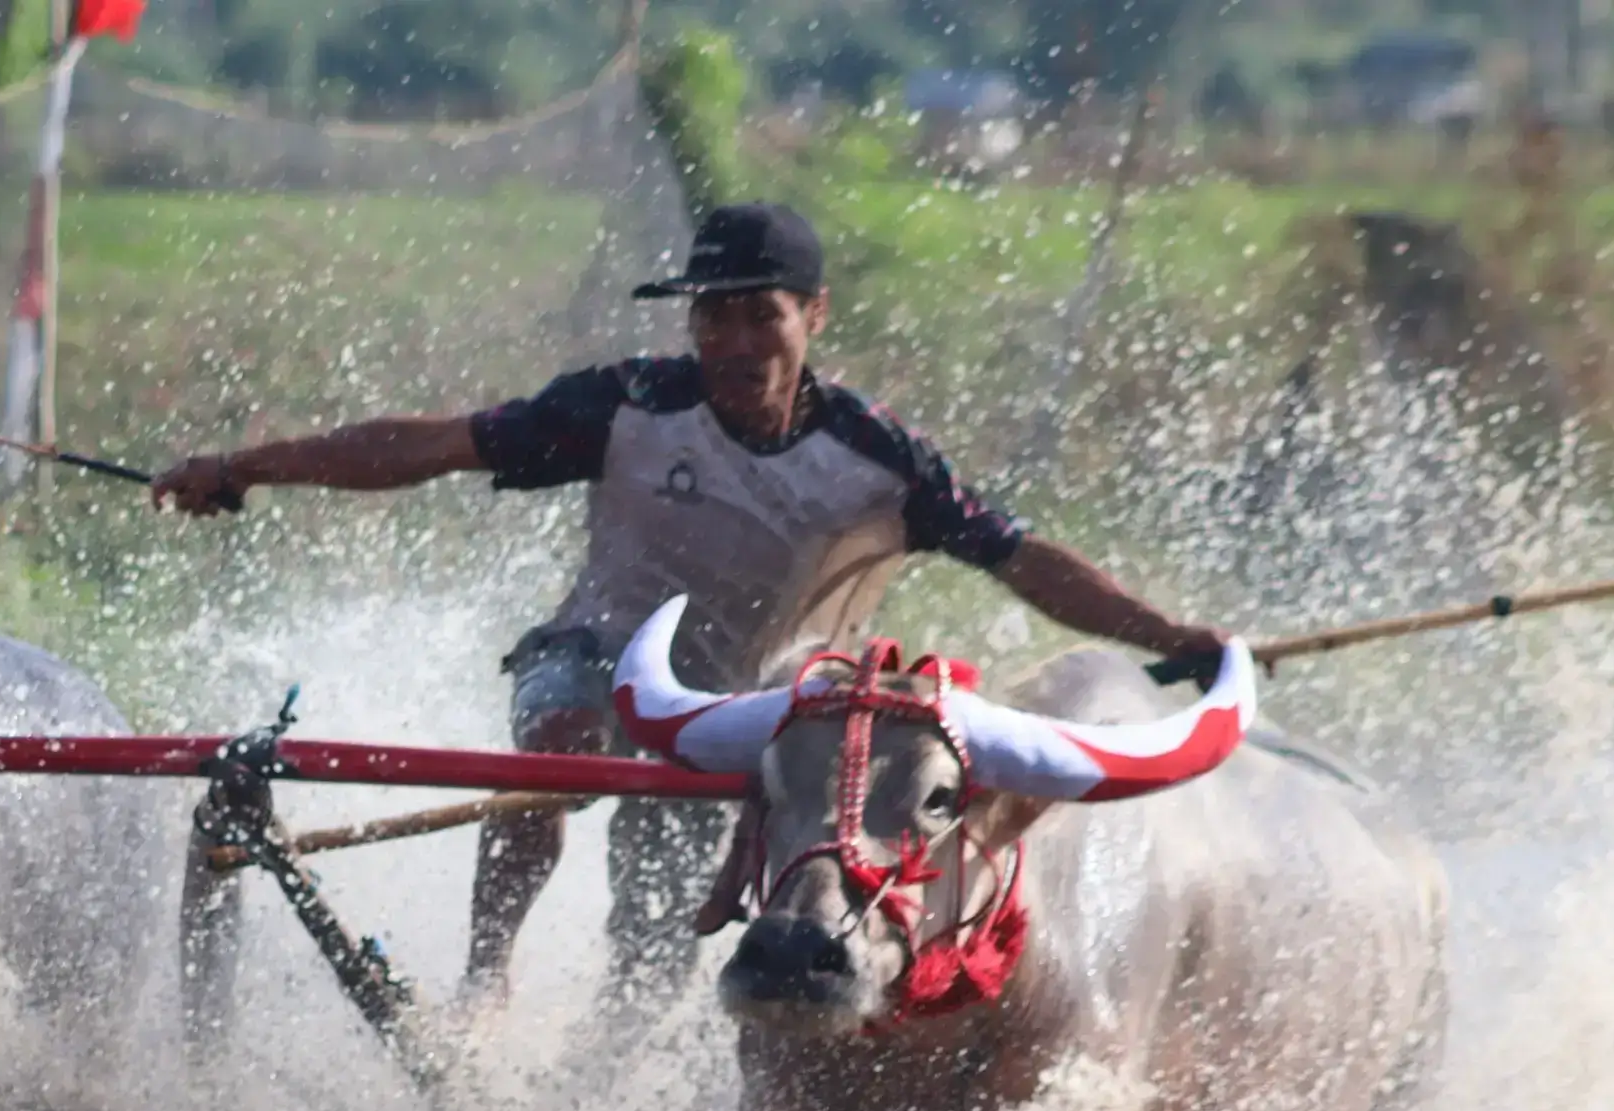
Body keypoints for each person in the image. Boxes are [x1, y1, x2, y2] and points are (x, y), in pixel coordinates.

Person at [153, 201, 1227, 1013]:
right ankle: (481, 992)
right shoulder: (626, 403)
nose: (735, 346)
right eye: (713, 317)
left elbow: (1022, 561)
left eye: (761, 317)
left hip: (749, 715)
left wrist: (1170, 637)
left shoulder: (876, 457)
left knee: (654, 941)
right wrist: (243, 468)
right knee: (561, 748)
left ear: (811, 318)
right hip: (595, 649)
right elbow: (425, 447)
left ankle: (613, 1060)